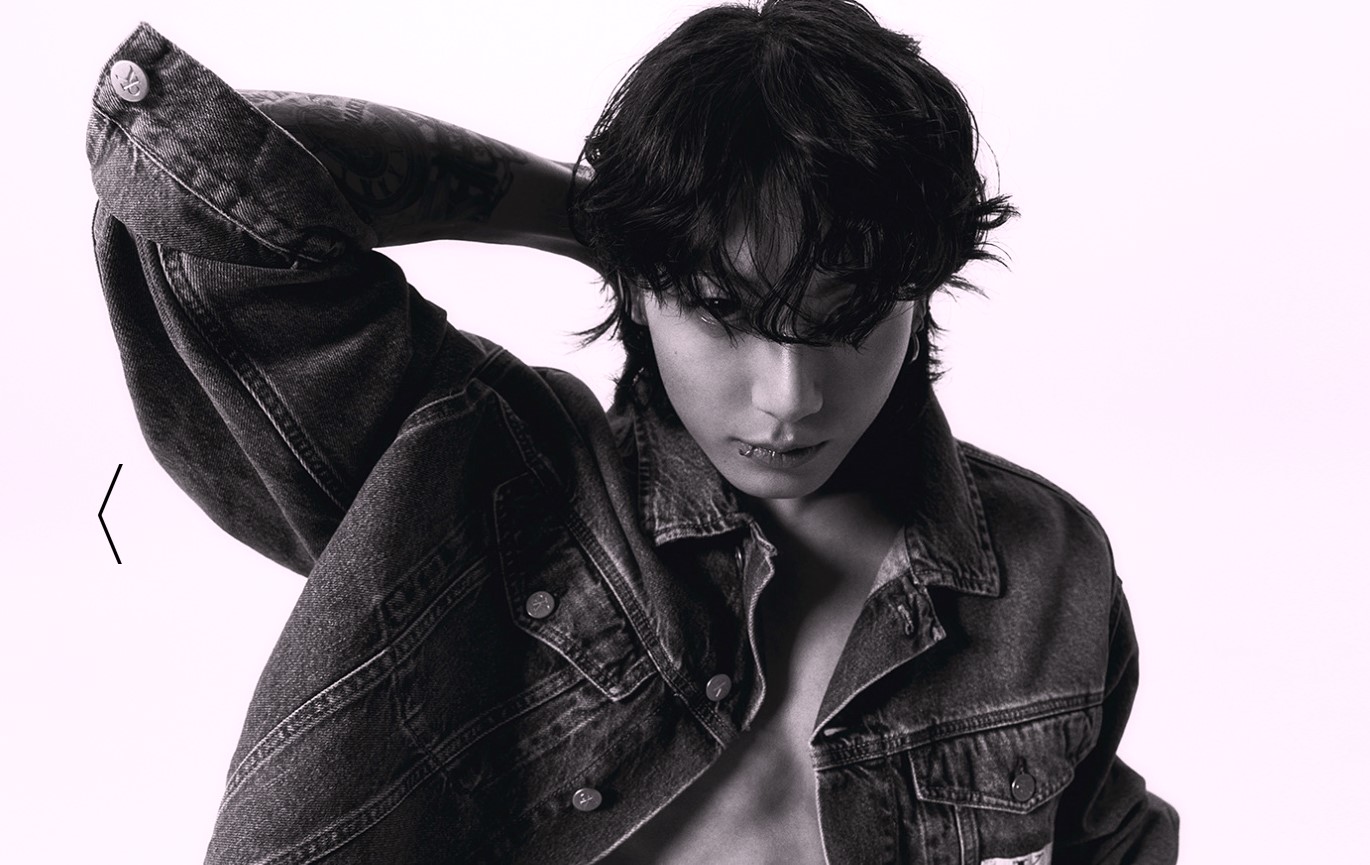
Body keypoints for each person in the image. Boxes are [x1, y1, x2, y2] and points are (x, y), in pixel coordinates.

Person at [87, 1, 1178, 863]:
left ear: (920, 293)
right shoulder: (493, 490)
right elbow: (188, 189)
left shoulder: (1047, 565)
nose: (790, 397)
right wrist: (595, 216)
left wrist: (695, 256)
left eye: (847, 320)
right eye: (723, 311)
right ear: (641, 287)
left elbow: (1107, 835)